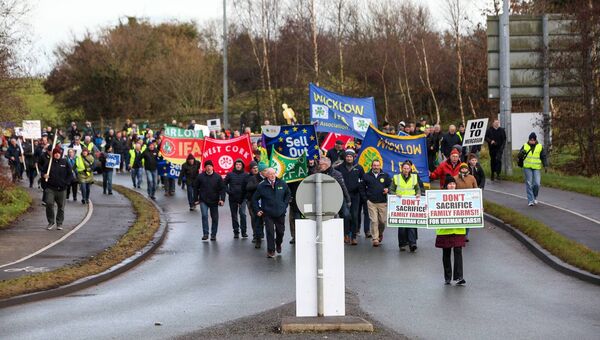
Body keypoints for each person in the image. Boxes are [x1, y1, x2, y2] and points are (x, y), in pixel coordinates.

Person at [252, 167, 291, 258]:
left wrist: (284, 205)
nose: (272, 175)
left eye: (274, 173)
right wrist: (257, 210)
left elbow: (288, 194)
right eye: (270, 174)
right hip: (268, 213)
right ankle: (271, 250)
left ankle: (278, 243)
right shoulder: (262, 185)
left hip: (280, 213)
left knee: (280, 232)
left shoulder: (282, 183)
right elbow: (254, 199)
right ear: (267, 175)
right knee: (270, 232)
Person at [435, 176, 466, 285]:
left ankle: (459, 276)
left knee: (458, 252)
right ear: (446, 186)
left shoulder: (461, 196)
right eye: (450, 184)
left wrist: (478, 209)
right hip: (444, 230)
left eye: (453, 184)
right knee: (446, 253)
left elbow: (469, 208)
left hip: (458, 230)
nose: (452, 186)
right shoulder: (439, 197)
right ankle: (447, 277)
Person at [335, 149, 364, 245]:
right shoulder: (339, 167)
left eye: (350, 156)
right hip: (343, 195)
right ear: (345, 157)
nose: (349, 158)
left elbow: (363, 181)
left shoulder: (359, 168)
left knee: (355, 216)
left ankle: (354, 236)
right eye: (347, 156)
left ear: (353, 157)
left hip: (355, 195)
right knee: (345, 215)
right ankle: (346, 234)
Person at [390, 161, 421, 252]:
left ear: (410, 169)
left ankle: (412, 243)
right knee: (402, 226)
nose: (406, 170)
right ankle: (402, 244)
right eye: (404, 168)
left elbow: (417, 188)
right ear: (401, 169)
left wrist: (418, 193)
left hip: (411, 205)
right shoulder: (397, 178)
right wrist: (395, 194)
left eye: (408, 168)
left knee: (411, 224)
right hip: (400, 205)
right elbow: (391, 189)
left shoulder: (414, 178)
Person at [360, 159, 391, 247]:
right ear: (371, 166)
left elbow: (390, 185)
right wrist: (366, 199)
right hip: (371, 202)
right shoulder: (366, 176)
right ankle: (375, 239)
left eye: (377, 165)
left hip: (382, 202)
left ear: (380, 166)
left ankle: (380, 234)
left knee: (382, 221)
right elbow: (362, 188)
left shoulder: (385, 175)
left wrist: (387, 189)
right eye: (374, 165)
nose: (376, 167)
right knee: (374, 221)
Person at [41, 146, 73, 230]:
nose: (57, 155)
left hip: (62, 189)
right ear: (53, 154)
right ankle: (51, 222)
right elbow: (42, 172)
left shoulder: (65, 162)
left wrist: (66, 183)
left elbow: (70, 174)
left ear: (61, 154)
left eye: (58, 153)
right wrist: (44, 175)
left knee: (61, 207)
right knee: (49, 203)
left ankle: (59, 223)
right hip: (50, 188)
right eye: (55, 153)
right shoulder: (49, 163)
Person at [194, 160, 226, 241]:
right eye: (207, 166)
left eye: (210, 166)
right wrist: (195, 199)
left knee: (214, 218)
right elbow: (195, 188)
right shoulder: (200, 177)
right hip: (203, 200)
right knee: (204, 216)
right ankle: (205, 234)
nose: (208, 168)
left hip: (214, 200)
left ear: (213, 167)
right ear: (205, 168)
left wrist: (222, 199)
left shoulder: (217, 177)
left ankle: (213, 234)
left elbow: (222, 189)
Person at [519, 132, 548, 206]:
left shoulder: (540, 146)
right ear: (528, 140)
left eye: (533, 140)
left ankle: (534, 197)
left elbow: (543, 156)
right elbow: (519, 155)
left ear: (535, 140)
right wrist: (521, 153)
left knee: (537, 184)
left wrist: (545, 165)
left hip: (536, 168)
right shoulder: (525, 146)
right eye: (530, 140)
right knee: (529, 183)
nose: (532, 141)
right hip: (527, 167)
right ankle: (530, 200)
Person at [224, 159, 248, 238]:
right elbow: (224, 184)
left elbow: (248, 186)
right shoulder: (230, 174)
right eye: (237, 164)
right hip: (233, 197)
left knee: (243, 214)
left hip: (243, 197)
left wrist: (245, 194)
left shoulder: (245, 175)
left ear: (242, 166)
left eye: (240, 164)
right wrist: (229, 192)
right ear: (234, 165)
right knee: (234, 215)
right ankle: (236, 231)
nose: (238, 166)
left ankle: (244, 231)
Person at [245, 162, 267, 247]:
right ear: (261, 171)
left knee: (266, 221)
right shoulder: (253, 178)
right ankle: (257, 237)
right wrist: (259, 185)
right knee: (256, 220)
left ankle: (261, 234)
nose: (267, 172)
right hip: (254, 202)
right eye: (265, 170)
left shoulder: (268, 178)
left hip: (266, 203)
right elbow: (248, 187)